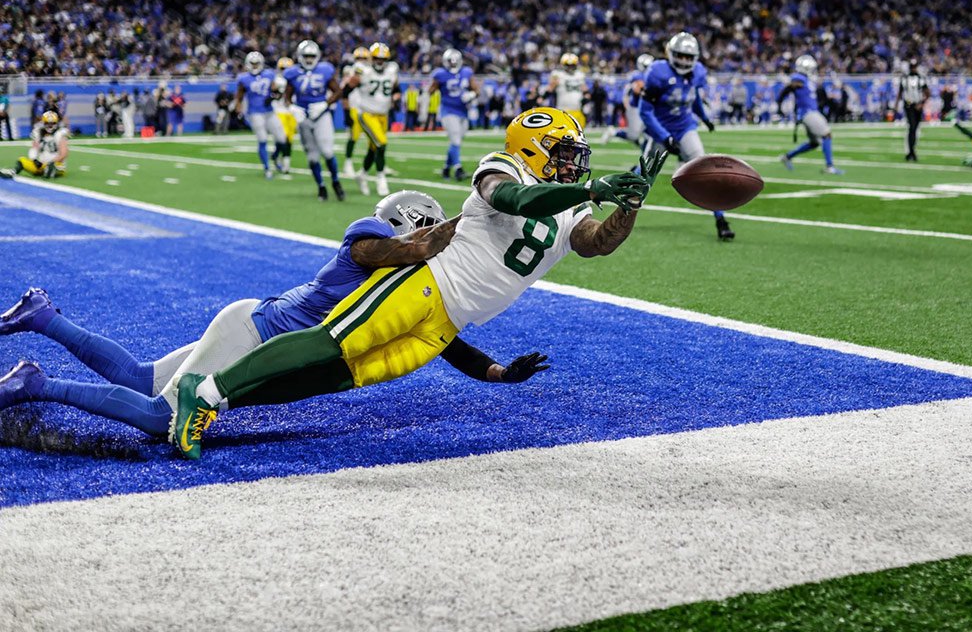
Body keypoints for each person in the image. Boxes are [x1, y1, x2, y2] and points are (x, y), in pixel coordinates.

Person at [170, 110, 664, 459]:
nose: (573, 162)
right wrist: (587, 189)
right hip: (429, 280)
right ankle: (206, 390)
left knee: (340, 374)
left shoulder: (571, 206)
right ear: (534, 149)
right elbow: (516, 198)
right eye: (562, 152)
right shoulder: (502, 167)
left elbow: (597, 242)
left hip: (450, 322)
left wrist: (629, 206)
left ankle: (220, 403)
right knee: (332, 343)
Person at [0, 192, 545, 439]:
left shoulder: (409, 283)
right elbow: (394, 253)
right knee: (160, 419)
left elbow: (447, 340)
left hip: (252, 325)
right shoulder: (371, 240)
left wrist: (498, 372)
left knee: (138, 378)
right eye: (423, 231)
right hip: (255, 335)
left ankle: (44, 316)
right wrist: (470, 218)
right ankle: (35, 384)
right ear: (411, 225)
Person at [639, 31, 733, 241]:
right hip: (660, 128)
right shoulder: (658, 72)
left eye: (688, 57)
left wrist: (704, 117)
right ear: (671, 53)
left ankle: (721, 219)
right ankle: (623, 215)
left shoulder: (698, 72)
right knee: (644, 176)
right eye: (680, 55)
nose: (684, 61)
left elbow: (694, 97)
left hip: (684, 127)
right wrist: (664, 137)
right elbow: (644, 111)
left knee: (704, 172)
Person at [283, 40, 345, 201]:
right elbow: (287, 96)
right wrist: (292, 108)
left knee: (327, 151)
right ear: (300, 56)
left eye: (312, 56)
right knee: (312, 157)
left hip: (321, 115)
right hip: (303, 116)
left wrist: (325, 103)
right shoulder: (293, 73)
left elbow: (338, 91)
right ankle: (321, 186)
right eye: (306, 56)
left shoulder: (325, 70)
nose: (309, 60)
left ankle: (336, 182)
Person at [342, 42, 401, 196]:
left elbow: (396, 88)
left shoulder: (392, 70)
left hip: (383, 115)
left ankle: (362, 175)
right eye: (376, 58)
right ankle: (381, 179)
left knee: (373, 148)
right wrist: (347, 111)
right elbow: (346, 90)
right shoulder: (363, 71)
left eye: (382, 59)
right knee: (381, 143)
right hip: (367, 114)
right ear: (371, 58)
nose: (380, 62)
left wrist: (396, 97)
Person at [778, 55, 843, 175]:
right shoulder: (799, 77)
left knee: (814, 143)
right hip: (808, 113)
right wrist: (779, 104)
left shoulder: (806, 80)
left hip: (809, 112)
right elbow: (788, 88)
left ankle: (787, 156)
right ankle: (830, 167)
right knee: (827, 135)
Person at [234, 52, 287, 179]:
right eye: (252, 63)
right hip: (255, 113)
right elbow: (239, 98)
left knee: (282, 139)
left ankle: (274, 156)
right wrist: (238, 112)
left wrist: (274, 96)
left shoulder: (269, 74)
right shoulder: (244, 78)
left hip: (269, 111)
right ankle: (267, 168)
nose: (255, 66)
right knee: (262, 139)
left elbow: (276, 92)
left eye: (257, 63)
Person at [428, 48, 478, 181]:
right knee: (455, 139)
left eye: (455, 62)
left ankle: (446, 168)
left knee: (456, 142)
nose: (453, 64)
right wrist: (433, 86)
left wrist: (471, 94)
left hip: (463, 111)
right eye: (451, 62)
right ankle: (458, 169)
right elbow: (430, 91)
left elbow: (476, 89)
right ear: (446, 62)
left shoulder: (467, 72)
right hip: (448, 111)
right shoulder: (440, 74)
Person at [601, 53, 654, 147]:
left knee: (650, 134)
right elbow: (638, 90)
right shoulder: (637, 75)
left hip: (648, 108)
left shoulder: (650, 76)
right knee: (633, 136)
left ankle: (646, 156)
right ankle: (613, 132)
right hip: (636, 108)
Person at [1, 111, 69, 179]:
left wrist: (51, 162)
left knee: (51, 167)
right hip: (42, 164)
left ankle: (48, 171)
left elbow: (63, 154)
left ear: (56, 123)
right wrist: (34, 160)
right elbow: (34, 148)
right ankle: (13, 172)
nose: (50, 126)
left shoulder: (60, 134)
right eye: (47, 123)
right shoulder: (38, 133)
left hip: (56, 164)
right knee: (22, 160)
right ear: (43, 123)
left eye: (52, 123)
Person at [341, 46, 371, 179]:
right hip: (355, 108)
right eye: (359, 58)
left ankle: (374, 164)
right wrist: (346, 112)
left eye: (364, 58)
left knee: (374, 140)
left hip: (369, 109)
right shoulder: (355, 70)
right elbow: (345, 91)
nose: (361, 61)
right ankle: (347, 163)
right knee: (353, 137)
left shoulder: (371, 71)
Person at [895, 60, 929, 162]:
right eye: (912, 67)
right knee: (912, 127)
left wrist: (922, 103)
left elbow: (927, 92)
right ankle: (911, 152)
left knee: (915, 128)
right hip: (908, 105)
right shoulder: (904, 78)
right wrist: (896, 105)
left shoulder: (920, 78)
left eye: (915, 67)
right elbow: (900, 92)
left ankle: (911, 152)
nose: (913, 69)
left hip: (917, 105)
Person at [548, 52, 590, 129]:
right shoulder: (557, 75)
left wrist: (586, 99)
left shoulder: (579, 75)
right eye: (568, 65)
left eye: (572, 65)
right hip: (562, 109)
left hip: (577, 109)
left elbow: (585, 91)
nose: (570, 67)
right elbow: (550, 89)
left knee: (578, 135)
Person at [271, 57, 296, 172]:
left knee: (290, 138)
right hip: (280, 110)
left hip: (292, 111)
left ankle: (279, 157)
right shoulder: (277, 80)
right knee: (284, 137)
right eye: (283, 68)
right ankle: (285, 163)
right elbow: (274, 93)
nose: (285, 71)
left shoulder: (297, 79)